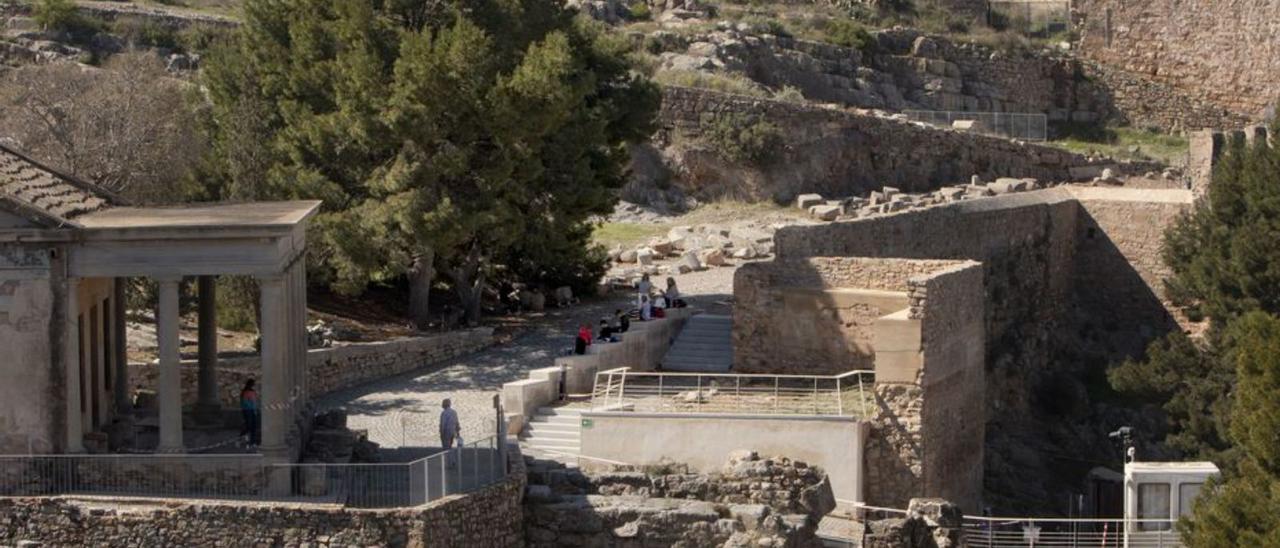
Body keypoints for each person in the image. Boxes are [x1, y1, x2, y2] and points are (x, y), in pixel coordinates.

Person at [240, 379, 261, 447]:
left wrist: (255, 408)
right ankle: (241, 437)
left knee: (254, 426)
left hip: (253, 410)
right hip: (247, 410)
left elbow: (255, 401)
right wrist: (251, 407)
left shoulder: (253, 392)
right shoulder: (246, 392)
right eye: (253, 385)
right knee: (248, 425)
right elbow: (245, 402)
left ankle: (253, 441)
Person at [440, 399, 461, 463]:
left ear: (444, 405)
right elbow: (457, 423)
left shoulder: (444, 413)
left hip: (446, 432)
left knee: (446, 448)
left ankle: (450, 461)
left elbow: (443, 424)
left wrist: (441, 433)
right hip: (453, 432)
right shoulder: (454, 412)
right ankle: (452, 460)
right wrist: (457, 432)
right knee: (450, 446)